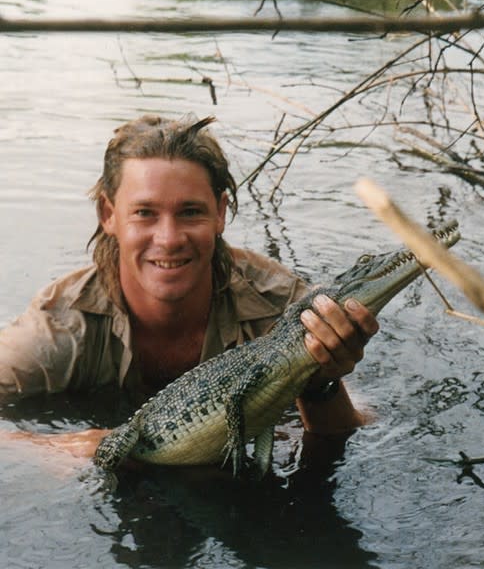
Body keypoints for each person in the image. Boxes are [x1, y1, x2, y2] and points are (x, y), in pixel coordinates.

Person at [0, 114, 378, 461]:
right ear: (108, 215)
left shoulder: (282, 306)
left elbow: (354, 425)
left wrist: (321, 384)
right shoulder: (60, 328)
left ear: (220, 213)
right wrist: (53, 446)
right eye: (145, 213)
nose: (169, 239)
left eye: (190, 212)